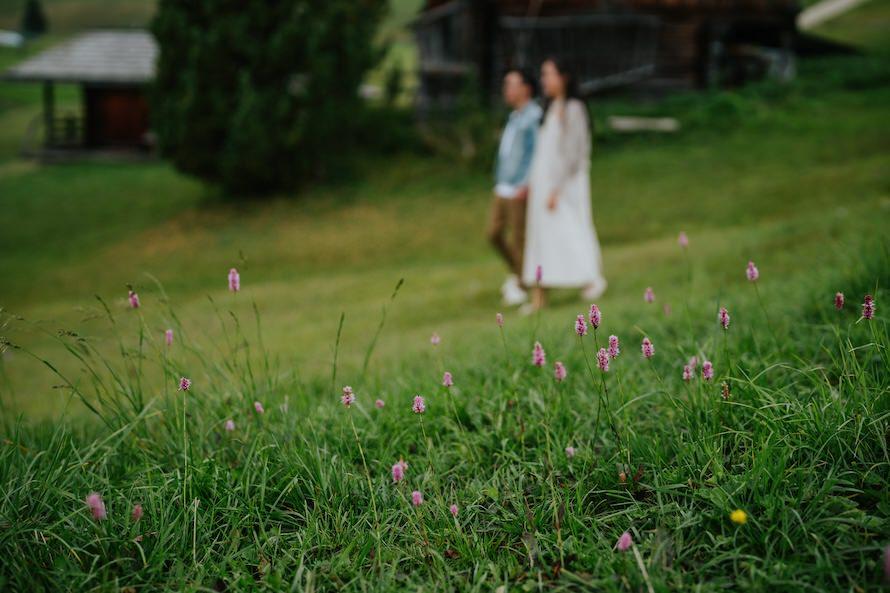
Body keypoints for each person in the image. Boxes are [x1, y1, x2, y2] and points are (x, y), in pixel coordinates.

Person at [522, 57, 607, 311]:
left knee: (571, 229)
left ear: (564, 77)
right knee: (543, 237)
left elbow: (574, 153)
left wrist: (556, 189)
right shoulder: (550, 109)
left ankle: (591, 276)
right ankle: (540, 294)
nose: (544, 80)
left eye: (548, 74)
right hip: (543, 183)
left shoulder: (574, 109)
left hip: (564, 186)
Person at [488, 69, 542, 306]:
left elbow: (538, 152)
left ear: (526, 88)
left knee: (520, 239)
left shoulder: (534, 116)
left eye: (511, 84)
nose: (506, 90)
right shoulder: (514, 117)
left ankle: (525, 284)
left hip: (519, 187)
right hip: (503, 185)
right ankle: (520, 277)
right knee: (493, 233)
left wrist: (527, 182)